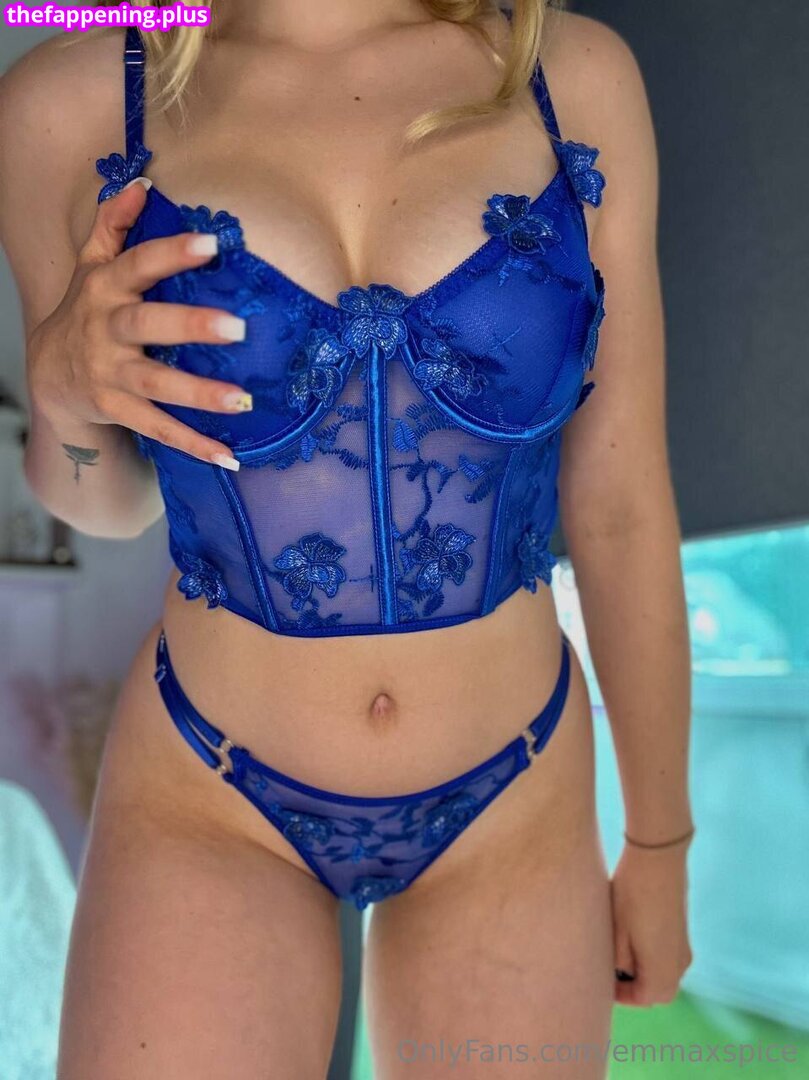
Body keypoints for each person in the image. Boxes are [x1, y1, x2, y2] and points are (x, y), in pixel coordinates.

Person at [0, 1, 694, 1076]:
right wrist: (60, 387)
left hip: (513, 796)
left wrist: (658, 841)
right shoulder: (71, 98)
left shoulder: (568, 73)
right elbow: (103, 501)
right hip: (211, 792)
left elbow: (620, 500)